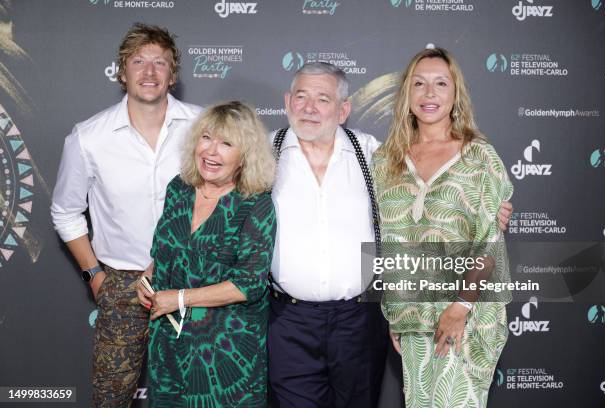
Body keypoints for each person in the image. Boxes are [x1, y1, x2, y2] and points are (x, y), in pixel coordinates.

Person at [50, 23, 201, 407]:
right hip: (120, 285)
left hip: (194, 282)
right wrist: (94, 275)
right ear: (121, 72)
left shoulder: (205, 127)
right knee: (110, 397)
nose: (149, 73)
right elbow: (65, 212)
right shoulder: (89, 137)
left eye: (160, 63)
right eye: (138, 62)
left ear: (173, 75)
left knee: (198, 392)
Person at [372, 47, 513, 407]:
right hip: (413, 315)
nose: (429, 93)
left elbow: (489, 240)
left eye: (440, 84)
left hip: (466, 313)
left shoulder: (479, 156)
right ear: (406, 93)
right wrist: (397, 310)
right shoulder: (386, 161)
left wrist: (460, 307)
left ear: (455, 95)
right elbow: (391, 241)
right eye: (419, 84)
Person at [140, 101, 277, 407]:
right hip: (169, 344)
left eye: (226, 143)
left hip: (225, 355)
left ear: (245, 157)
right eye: (206, 138)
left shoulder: (255, 205)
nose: (211, 151)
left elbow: (248, 285)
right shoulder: (180, 188)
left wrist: (178, 298)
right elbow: (165, 251)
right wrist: (148, 277)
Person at [267, 62, 388, 408]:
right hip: (287, 322)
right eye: (301, 97)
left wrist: (486, 208)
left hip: (359, 322)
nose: (309, 108)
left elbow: (424, 193)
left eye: (323, 99)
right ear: (287, 101)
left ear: (343, 109)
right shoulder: (263, 151)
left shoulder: (370, 152)